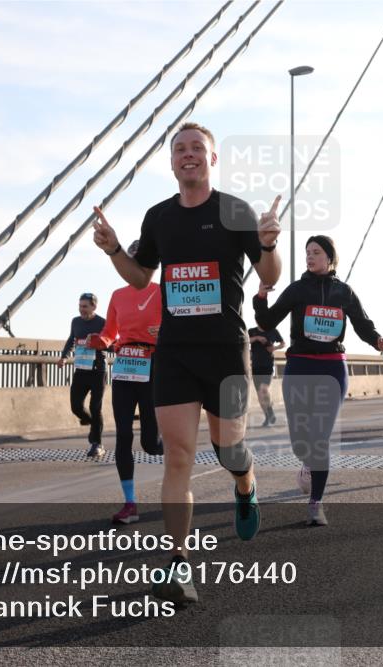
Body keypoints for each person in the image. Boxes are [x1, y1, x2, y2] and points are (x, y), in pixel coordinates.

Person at [91, 121, 282, 604]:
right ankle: (179, 565)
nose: (188, 155)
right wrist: (115, 248)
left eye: (198, 148)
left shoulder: (234, 211)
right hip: (174, 353)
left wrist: (267, 243)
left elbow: (268, 275)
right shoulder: (158, 218)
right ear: (172, 162)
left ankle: (245, 483)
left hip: (225, 351)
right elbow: (139, 279)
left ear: (212, 159)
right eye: (180, 149)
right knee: (177, 456)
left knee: (228, 452)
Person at [254, 235, 383, 525]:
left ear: (330, 258)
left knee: (319, 440)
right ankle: (306, 462)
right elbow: (267, 322)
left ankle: (316, 502)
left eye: (316, 252)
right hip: (300, 365)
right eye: (307, 252)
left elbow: (363, 325)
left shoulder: (344, 292)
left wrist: (378, 342)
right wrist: (260, 297)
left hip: (332, 368)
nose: (309, 257)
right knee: (299, 441)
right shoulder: (297, 289)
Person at [89, 240, 164, 525]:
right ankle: (130, 503)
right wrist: (102, 341)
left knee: (150, 443)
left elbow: (177, 326)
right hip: (124, 368)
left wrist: (162, 334)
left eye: (141, 259)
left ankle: (176, 450)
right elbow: (110, 332)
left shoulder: (161, 292)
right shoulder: (118, 295)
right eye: (131, 259)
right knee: (122, 435)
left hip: (152, 366)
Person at [57, 293, 107, 457]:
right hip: (81, 371)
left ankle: (96, 444)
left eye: (85, 306)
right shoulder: (76, 321)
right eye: (80, 306)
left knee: (95, 407)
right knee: (76, 406)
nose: (81, 310)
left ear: (94, 306)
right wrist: (64, 357)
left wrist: (98, 342)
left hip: (98, 371)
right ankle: (94, 424)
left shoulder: (102, 323)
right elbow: (71, 339)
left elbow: (112, 344)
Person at [247, 324, 284, 426]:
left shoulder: (273, 331)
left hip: (268, 365)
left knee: (264, 389)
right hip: (256, 366)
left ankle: (270, 412)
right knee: (260, 395)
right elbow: (245, 341)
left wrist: (274, 348)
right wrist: (257, 338)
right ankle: (268, 415)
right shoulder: (252, 331)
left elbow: (283, 343)